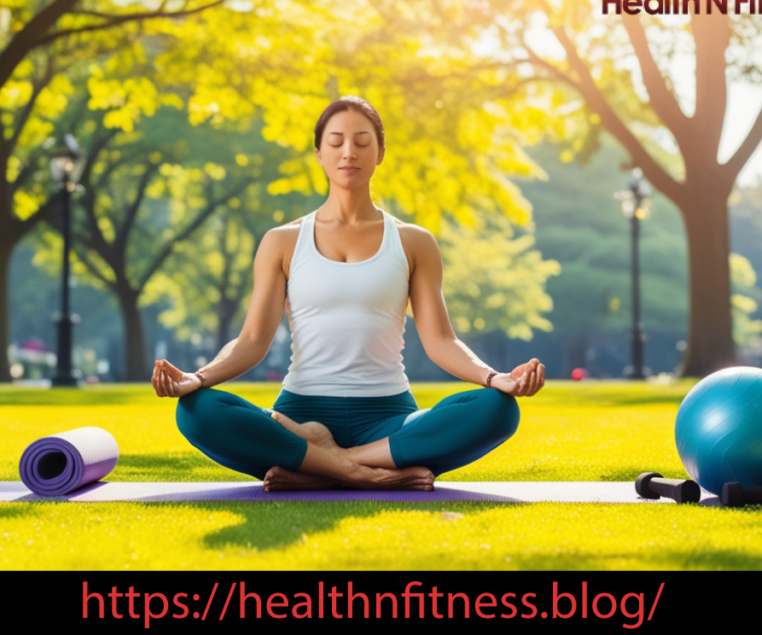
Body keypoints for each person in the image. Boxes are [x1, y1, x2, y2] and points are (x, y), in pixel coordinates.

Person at [151, 96, 545, 491]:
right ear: (319, 153)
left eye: (361, 141)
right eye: (336, 141)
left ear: (380, 153)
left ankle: (319, 466)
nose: (348, 152)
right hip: (300, 414)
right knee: (197, 411)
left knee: (497, 411)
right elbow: (253, 340)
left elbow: (441, 341)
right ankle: (364, 473)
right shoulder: (282, 241)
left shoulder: (413, 242)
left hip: (388, 418)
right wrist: (196, 379)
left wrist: (495, 379)